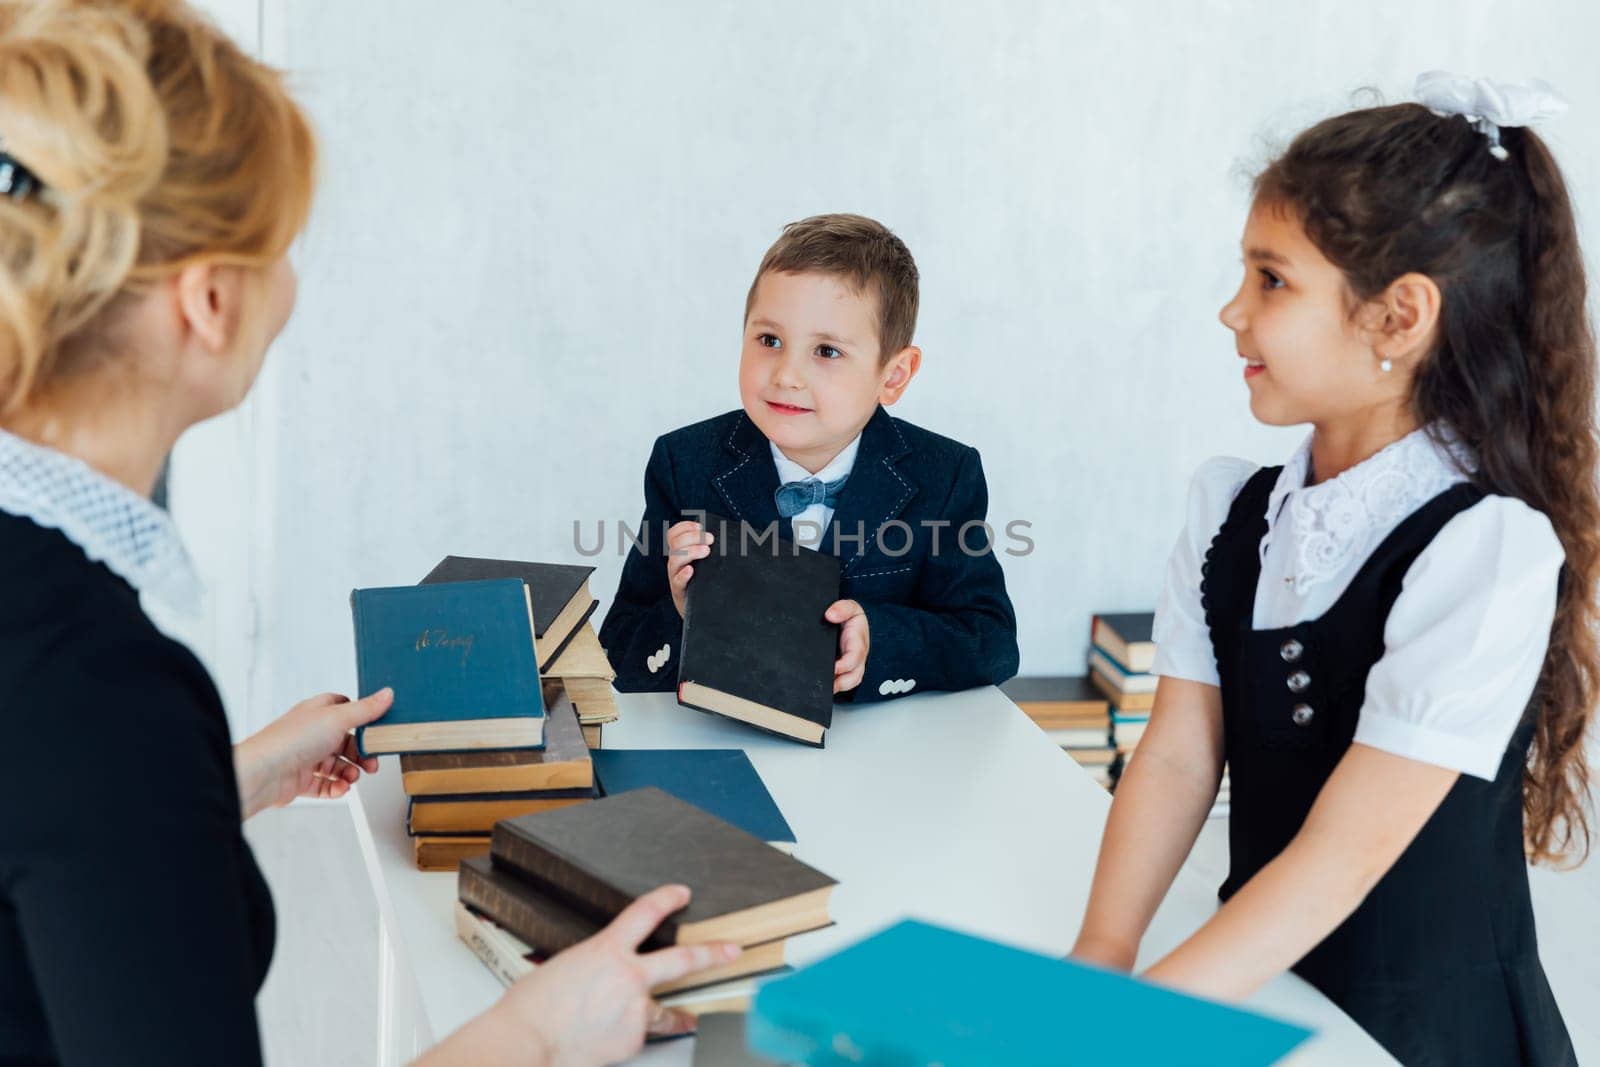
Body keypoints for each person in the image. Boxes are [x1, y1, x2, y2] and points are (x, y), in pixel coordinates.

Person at [0, 2, 734, 1063]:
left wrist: (227, 772)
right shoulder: (106, 690)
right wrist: (537, 1030)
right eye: (283, 245)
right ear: (209, 299)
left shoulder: (74, 673)